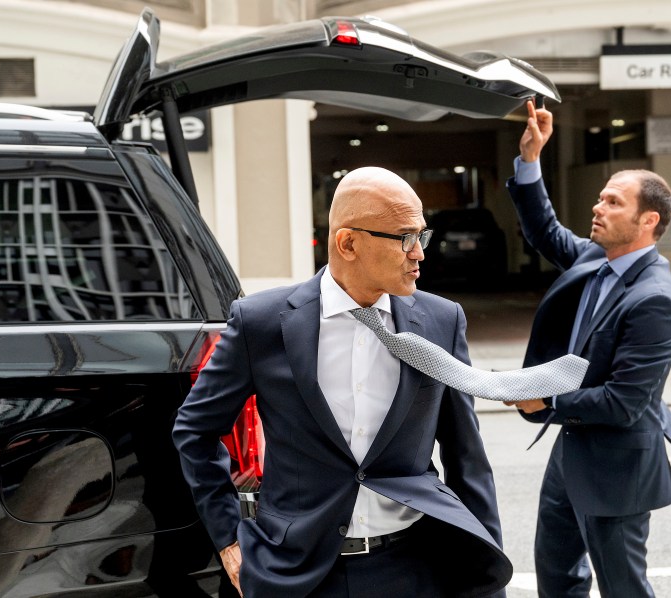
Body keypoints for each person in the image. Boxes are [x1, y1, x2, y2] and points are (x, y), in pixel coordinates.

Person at [173, 166, 512, 598]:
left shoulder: (442, 321)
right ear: (348, 243)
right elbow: (195, 431)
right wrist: (228, 538)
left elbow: (468, 457)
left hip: (415, 569)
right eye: (405, 237)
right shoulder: (260, 322)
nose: (419, 254)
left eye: (421, 236)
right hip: (296, 573)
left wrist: (486, 575)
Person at [504, 99, 671, 598]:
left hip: (617, 467)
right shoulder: (597, 257)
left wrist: (546, 401)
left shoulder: (656, 301)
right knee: (557, 576)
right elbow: (545, 231)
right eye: (601, 198)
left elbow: (624, 402)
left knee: (623, 588)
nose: (598, 207)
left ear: (647, 221)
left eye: (614, 202)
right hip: (570, 452)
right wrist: (530, 159)